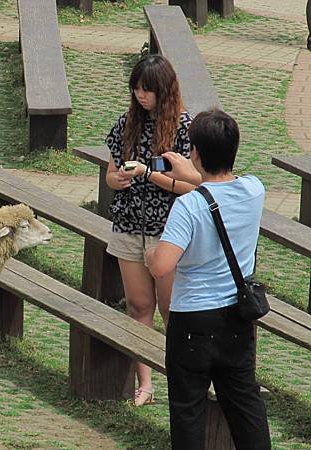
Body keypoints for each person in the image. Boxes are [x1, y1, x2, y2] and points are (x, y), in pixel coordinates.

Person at [145, 109, 271, 450]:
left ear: (195, 152)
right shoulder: (254, 191)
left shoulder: (188, 207)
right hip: (236, 318)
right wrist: (197, 175)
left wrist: (150, 254)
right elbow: (225, 186)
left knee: (188, 410)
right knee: (245, 402)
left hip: (192, 321)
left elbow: (161, 267)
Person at [104, 54, 194, 406]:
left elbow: (194, 186)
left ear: (164, 90)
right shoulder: (125, 123)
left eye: (148, 90)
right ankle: (145, 383)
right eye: (137, 89)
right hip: (128, 226)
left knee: (173, 311)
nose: (141, 96)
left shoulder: (184, 130)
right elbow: (110, 174)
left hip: (167, 231)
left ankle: (180, 379)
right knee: (139, 307)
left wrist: (148, 174)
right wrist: (121, 178)